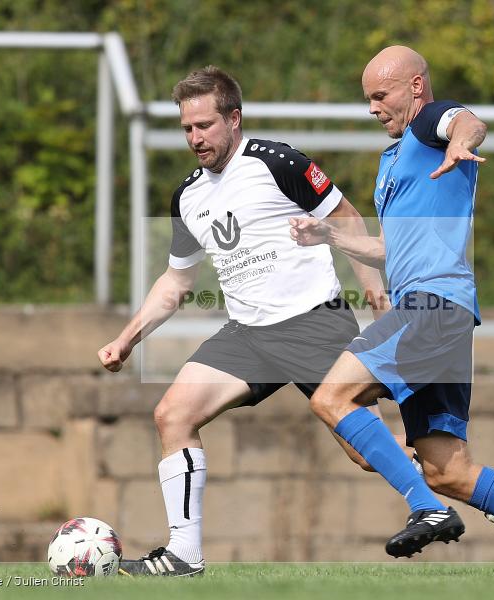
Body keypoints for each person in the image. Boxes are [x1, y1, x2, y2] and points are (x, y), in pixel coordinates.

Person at [291, 46, 494, 573]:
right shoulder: (395, 158)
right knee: (449, 470)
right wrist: (331, 235)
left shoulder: (428, 123)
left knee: (332, 397)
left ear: (416, 87)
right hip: (435, 311)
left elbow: (467, 121)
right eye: (367, 99)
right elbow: (391, 249)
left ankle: (426, 508)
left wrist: (462, 144)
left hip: (433, 305)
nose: (373, 108)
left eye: (381, 95)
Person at [97, 66, 390, 576]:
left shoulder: (278, 162)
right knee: (173, 415)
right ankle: (183, 555)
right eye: (187, 128)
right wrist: (126, 340)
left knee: (369, 455)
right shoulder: (187, 197)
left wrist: (371, 286)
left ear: (234, 119)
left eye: (205, 125)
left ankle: (476, 485)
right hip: (248, 335)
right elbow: (176, 282)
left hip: (314, 325)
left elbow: (345, 216)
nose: (195, 138)